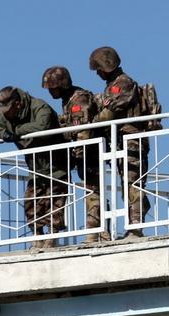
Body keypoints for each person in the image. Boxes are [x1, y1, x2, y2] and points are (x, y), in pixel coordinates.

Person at [0, 86, 70, 248]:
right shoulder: (4, 114)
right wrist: (5, 135)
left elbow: (42, 126)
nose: (5, 113)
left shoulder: (39, 106)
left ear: (17, 104)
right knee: (31, 204)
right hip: (35, 168)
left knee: (55, 204)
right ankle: (38, 236)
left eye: (8, 108)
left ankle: (52, 236)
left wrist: (16, 132)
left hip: (56, 164)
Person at [41, 66, 109, 243]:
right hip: (83, 154)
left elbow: (82, 132)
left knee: (92, 192)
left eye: (53, 88)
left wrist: (75, 155)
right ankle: (99, 232)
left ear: (62, 85)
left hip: (89, 154)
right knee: (92, 192)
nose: (50, 92)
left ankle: (95, 233)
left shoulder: (78, 99)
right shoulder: (68, 100)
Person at [89, 46, 150, 235]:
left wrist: (92, 123)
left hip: (131, 141)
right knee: (126, 184)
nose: (98, 73)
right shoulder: (111, 86)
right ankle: (132, 226)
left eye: (99, 68)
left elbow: (109, 113)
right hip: (118, 141)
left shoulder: (123, 83)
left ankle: (136, 228)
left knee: (133, 183)